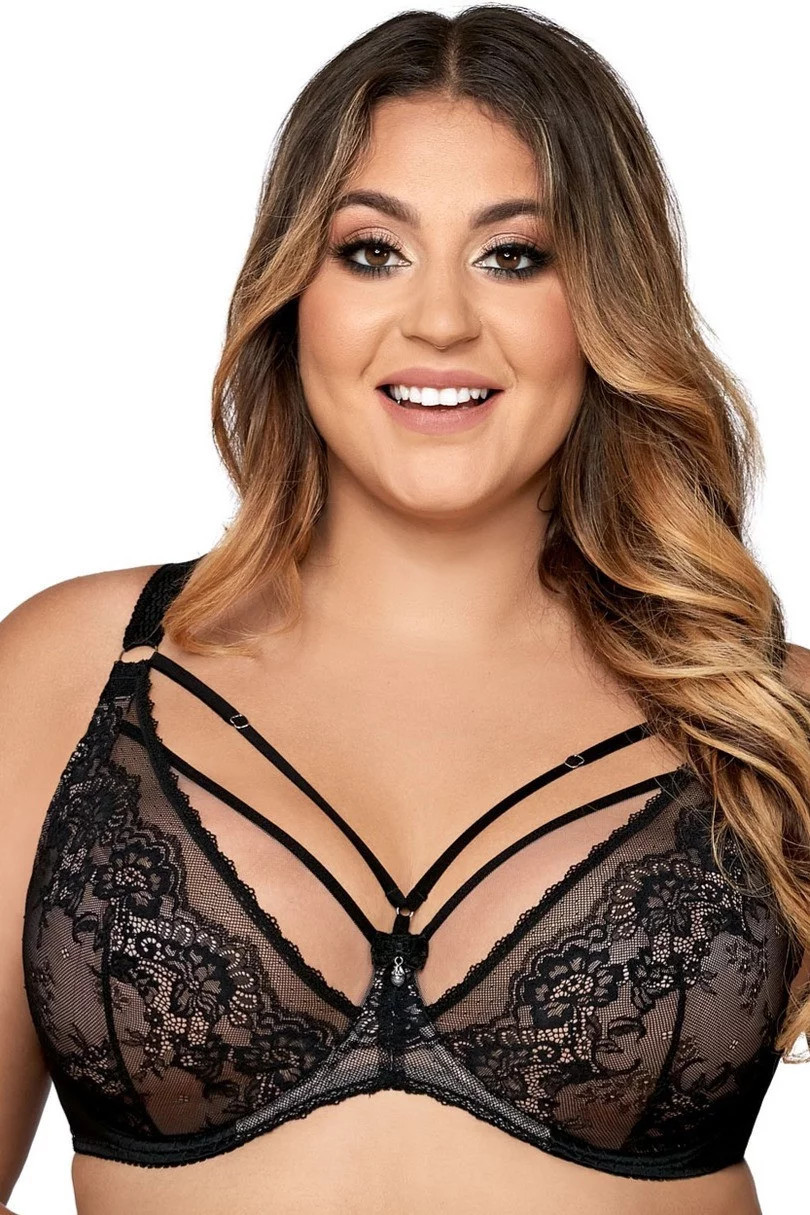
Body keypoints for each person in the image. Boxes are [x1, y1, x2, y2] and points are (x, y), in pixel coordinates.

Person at [2, 6, 809, 1214]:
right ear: (293, 290)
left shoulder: (765, 718)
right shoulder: (75, 672)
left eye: (514, 257)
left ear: (607, 301)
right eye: (373, 252)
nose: (439, 321)